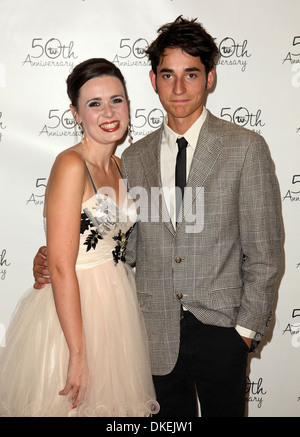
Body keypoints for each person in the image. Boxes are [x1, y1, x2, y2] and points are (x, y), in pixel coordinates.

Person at [33, 17, 283, 417]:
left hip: (222, 333)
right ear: (152, 80)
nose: (179, 88)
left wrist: (245, 333)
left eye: (191, 74)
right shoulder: (135, 157)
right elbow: (125, 244)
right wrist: (53, 257)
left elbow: (265, 253)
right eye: (168, 75)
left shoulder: (245, 148)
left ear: (211, 77)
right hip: (148, 334)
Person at [0, 58, 159, 417]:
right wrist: (78, 353)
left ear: (129, 104)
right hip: (75, 311)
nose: (108, 112)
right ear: (75, 113)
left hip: (117, 303)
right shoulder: (71, 165)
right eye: (94, 103)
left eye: (116, 100)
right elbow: (59, 265)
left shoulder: (121, 165)